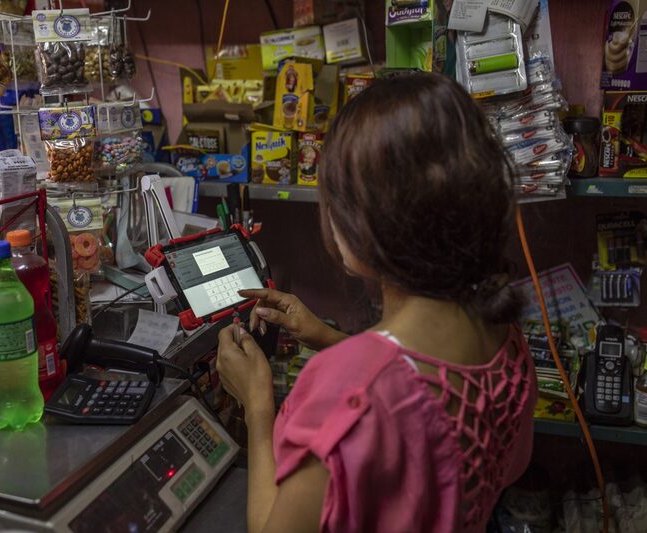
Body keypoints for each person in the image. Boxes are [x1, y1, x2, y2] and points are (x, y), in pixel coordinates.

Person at [216, 73, 537, 533]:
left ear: (362, 220)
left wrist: (257, 403)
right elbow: (430, 399)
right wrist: (328, 338)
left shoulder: (346, 386)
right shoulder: (504, 332)